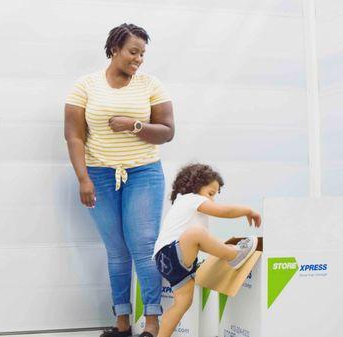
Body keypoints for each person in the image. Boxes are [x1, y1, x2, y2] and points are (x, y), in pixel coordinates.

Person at [64, 23, 175, 337]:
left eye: (142, 54)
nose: (138, 59)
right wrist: (83, 178)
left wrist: (134, 125)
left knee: (142, 246)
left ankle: (152, 323)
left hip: (143, 173)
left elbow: (167, 131)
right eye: (133, 52)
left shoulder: (150, 85)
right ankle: (122, 322)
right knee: (116, 250)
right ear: (114, 49)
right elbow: (74, 136)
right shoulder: (85, 86)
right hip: (99, 175)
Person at [153, 163, 261, 337]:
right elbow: (223, 212)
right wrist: (247, 210)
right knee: (197, 233)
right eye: (211, 194)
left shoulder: (182, 203)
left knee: (182, 304)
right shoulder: (192, 199)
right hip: (170, 252)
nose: (212, 200)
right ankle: (233, 255)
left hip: (167, 262)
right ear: (195, 186)